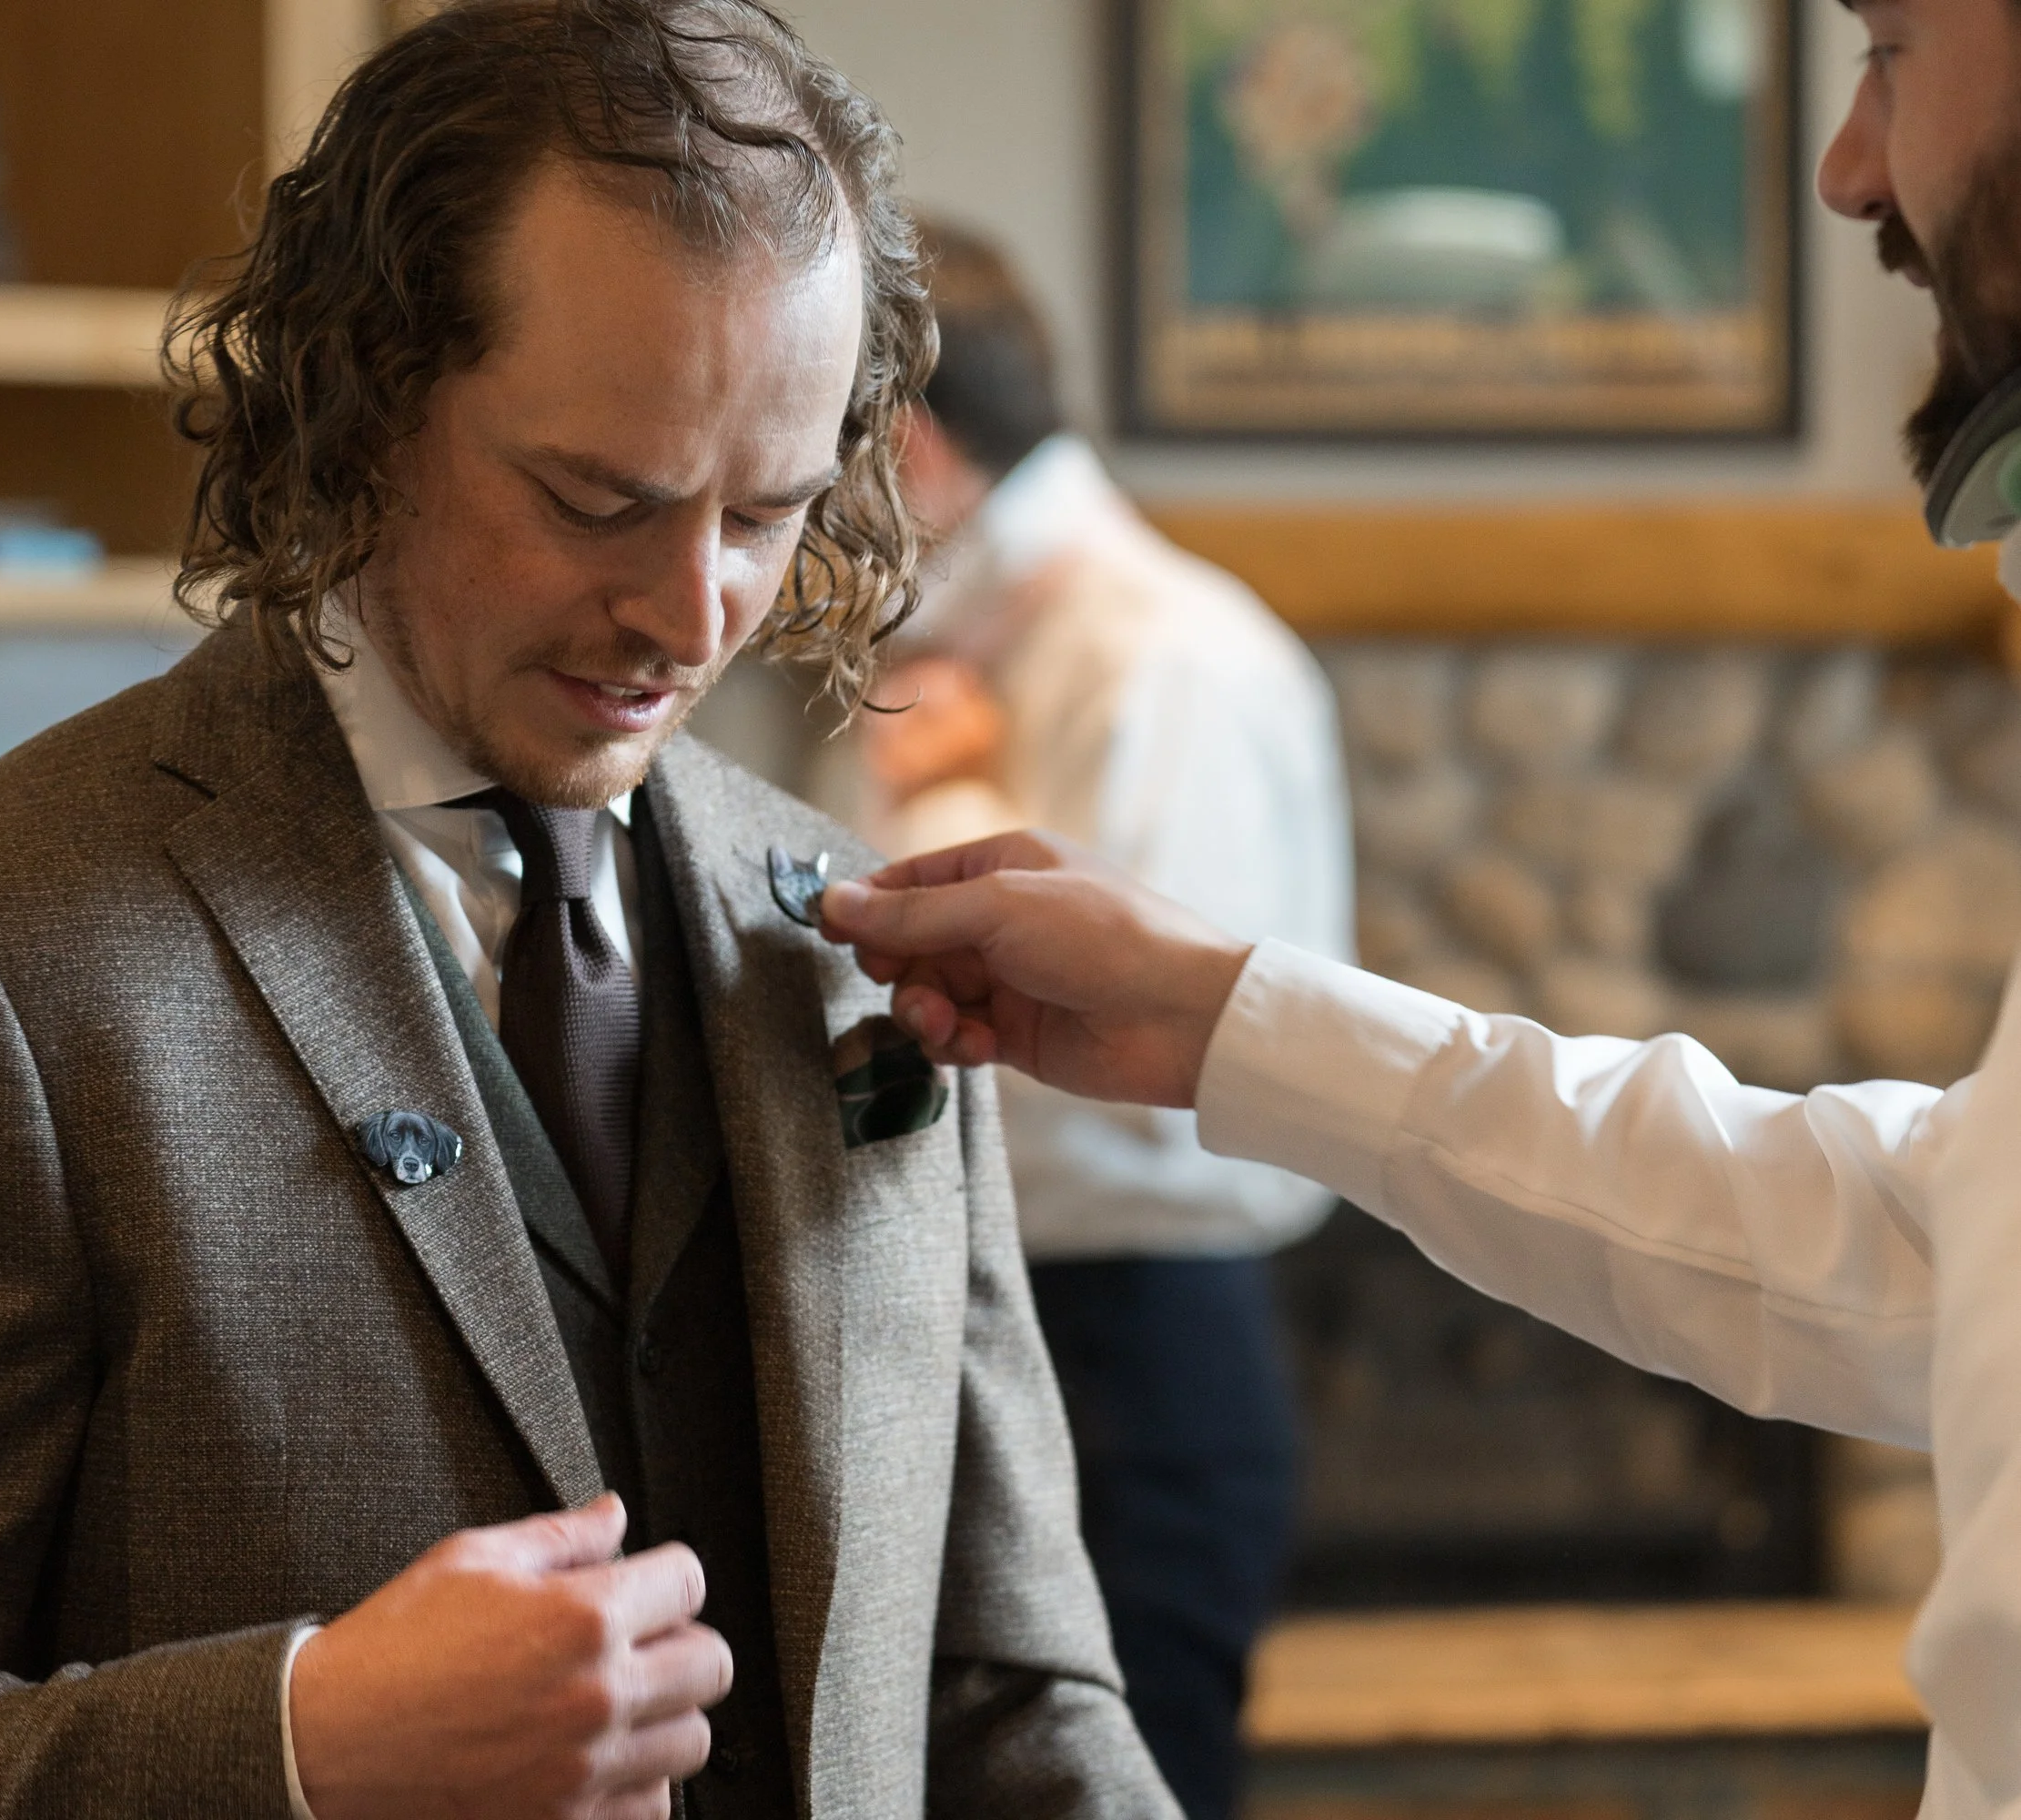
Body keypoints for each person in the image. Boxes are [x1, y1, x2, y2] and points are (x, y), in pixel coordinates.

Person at [0, 6, 1180, 1818]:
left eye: (768, 512)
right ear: (360, 399)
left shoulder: (863, 942)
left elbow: (1002, 1696)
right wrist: (295, 1746)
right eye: (600, 498)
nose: (688, 614)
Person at [821, 4, 2021, 1814]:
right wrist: (1235, 1019)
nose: (1845, 163)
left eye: (1887, 47)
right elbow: (1927, 1252)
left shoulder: (1160, 663)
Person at [859, 219, 1353, 1820]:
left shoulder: (1159, 660)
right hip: (1012, 1315)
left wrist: (952, 789)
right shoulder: (963, 645)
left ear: (912, 450)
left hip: (1134, 1341)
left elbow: (1135, 1058)